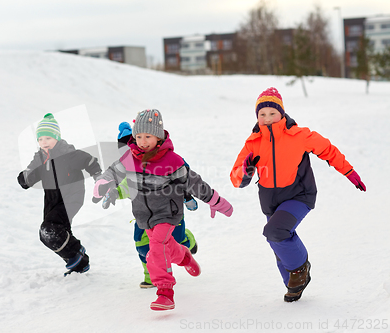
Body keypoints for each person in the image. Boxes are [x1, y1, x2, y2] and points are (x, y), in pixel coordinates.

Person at [230, 87, 366, 302]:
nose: (267, 118)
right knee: (276, 241)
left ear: (282, 113)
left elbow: (328, 150)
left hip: (299, 195)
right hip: (270, 201)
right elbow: (236, 178)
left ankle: (301, 269)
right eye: (262, 114)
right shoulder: (253, 142)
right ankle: (294, 285)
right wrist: (245, 171)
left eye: (272, 113)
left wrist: (348, 171)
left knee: (276, 232)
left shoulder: (299, 135)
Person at [93, 109, 233, 311]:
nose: (142, 141)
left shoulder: (172, 160)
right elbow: (114, 172)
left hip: (168, 212)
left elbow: (193, 182)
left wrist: (214, 200)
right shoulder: (130, 158)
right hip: (144, 214)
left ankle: (165, 292)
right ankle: (184, 256)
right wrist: (104, 182)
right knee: (166, 245)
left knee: (156, 248)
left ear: (158, 136)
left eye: (147, 136)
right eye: (138, 136)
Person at [116, 122, 198, 289]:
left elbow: (183, 176)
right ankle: (151, 277)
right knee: (142, 246)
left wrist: (187, 196)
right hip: (144, 214)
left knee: (173, 242)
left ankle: (187, 241)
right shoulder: (129, 165)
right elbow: (126, 185)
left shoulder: (166, 158)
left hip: (168, 212)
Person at [17, 113, 102, 276]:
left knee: (50, 229)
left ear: (57, 137)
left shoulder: (68, 153)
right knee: (49, 235)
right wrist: (25, 178)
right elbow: (28, 177)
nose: (44, 142)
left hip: (71, 197)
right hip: (51, 200)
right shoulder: (40, 158)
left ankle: (77, 250)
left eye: (48, 138)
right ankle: (79, 265)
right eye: (40, 139)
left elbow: (89, 161)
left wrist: (98, 176)